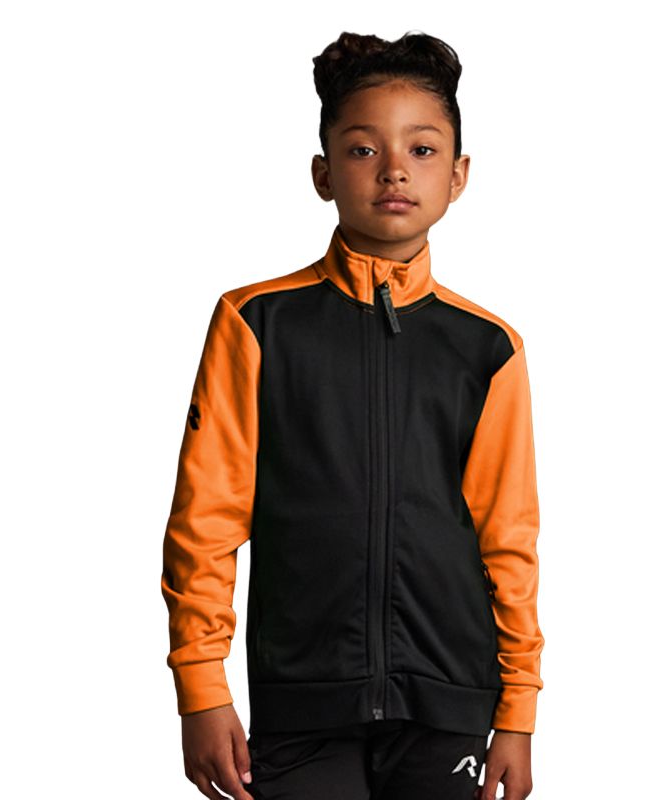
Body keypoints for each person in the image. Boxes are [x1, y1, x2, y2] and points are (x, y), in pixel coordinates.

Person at [161, 29, 545, 800]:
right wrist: (201, 688)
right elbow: (207, 518)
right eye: (364, 149)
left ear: (459, 175)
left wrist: (518, 709)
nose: (395, 168)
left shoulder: (487, 347)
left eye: (423, 149)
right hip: (302, 697)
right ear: (323, 173)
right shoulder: (256, 322)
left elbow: (508, 536)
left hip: (448, 699)